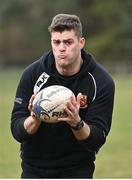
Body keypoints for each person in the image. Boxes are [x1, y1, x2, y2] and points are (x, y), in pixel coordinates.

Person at [11, 13, 115, 178]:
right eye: (56, 42)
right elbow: (17, 130)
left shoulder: (101, 81)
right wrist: (35, 118)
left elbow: (97, 138)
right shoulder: (32, 74)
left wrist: (76, 122)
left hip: (77, 170)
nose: (61, 48)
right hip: (34, 169)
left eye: (68, 42)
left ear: (81, 43)